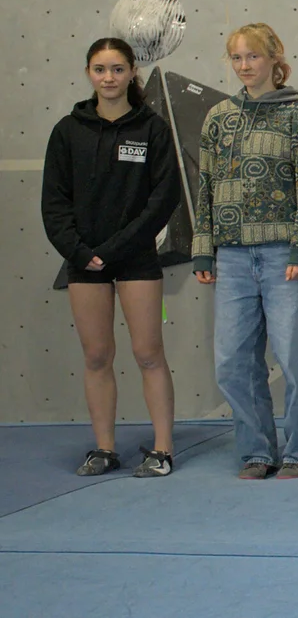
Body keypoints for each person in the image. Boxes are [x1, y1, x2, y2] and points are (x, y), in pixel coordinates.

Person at [192, 23, 298, 480]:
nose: (244, 65)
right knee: (232, 362)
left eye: (252, 56)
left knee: (295, 358)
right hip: (231, 257)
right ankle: (256, 451)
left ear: (274, 58)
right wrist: (203, 250)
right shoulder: (217, 117)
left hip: (284, 255)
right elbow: (205, 186)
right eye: (236, 58)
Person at [41, 37, 182, 477]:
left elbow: (163, 198)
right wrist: (82, 253)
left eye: (117, 69)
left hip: (136, 259)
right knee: (97, 356)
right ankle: (104, 448)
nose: (109, 77)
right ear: (88, 73)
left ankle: (162, 449)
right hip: (85, 263)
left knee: (148, 353)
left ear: (131, 74)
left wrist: (117, 248)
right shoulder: (68, 130)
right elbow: (54, 203)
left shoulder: (152, 129)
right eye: (100, 69)